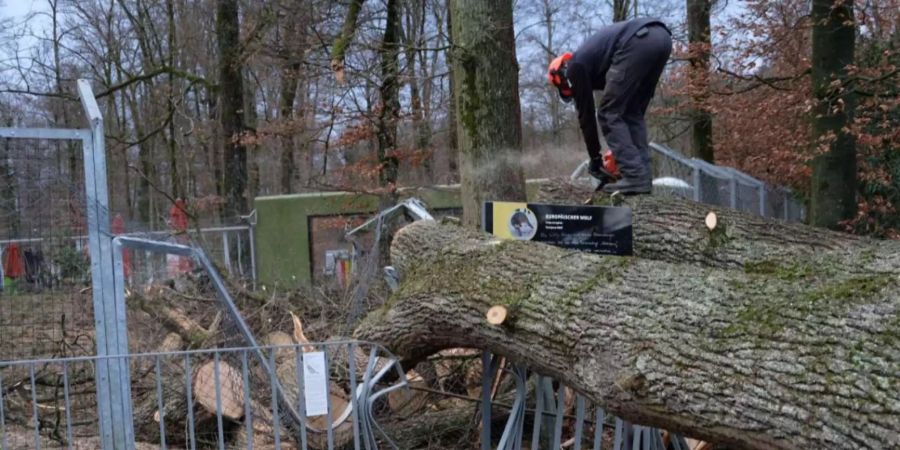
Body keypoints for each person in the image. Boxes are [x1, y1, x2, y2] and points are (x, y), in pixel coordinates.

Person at [548, 18, 672, 194]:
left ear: (562, 78)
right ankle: (642, 178)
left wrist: (595, 159)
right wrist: (623, 149)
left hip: (638, 41)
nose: (574, 92)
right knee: (632, 113)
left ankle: (635, 176)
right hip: (662, 38)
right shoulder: (594, 60)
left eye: (570, 91)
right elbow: (632, 114)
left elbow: (587, 116)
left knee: (607, 113)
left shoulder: (574, 68)